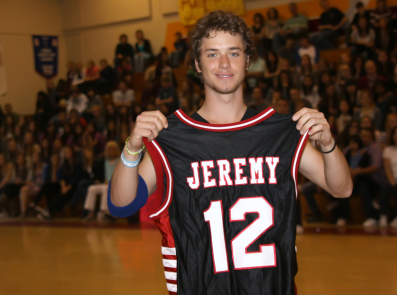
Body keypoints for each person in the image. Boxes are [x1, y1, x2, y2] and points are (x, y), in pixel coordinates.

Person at [108, 11, 352, 295]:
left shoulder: (277, 134)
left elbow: (342, 188)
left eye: (234, 53)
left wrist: (328, 144)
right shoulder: (175, 139)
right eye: (212, 54)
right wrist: (132, 147)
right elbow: (120, 205)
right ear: (197, 64)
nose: (224, 63)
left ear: (247, 61)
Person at [83, 141, 120, 222]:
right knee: (91, 188)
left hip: (116, 184)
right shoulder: (105, 161)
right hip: (106, 183)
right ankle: (91, 212)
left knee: (105, 189)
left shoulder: (120, 160)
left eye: (113, 149)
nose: (111, 151)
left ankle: (104, 212)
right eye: (110, 149)